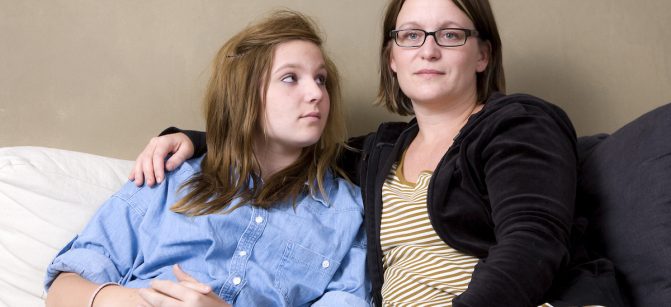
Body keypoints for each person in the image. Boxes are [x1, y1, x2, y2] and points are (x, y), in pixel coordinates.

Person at [131, 0, 625, 306]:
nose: (427, 50)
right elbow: (295, 146)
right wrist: (199, 139)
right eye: (410, 36)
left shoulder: (518, 123)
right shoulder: (383, 151)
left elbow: (532, 244)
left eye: (450, 34)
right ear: (392, 59)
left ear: (482, 55)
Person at [44, 10, 370, 307]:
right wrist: (135, 302)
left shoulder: (347, 214)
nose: (316, 93)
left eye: (321, 79)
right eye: (290, 78)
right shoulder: (170, 177)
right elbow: (63, 288)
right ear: (245, 95)